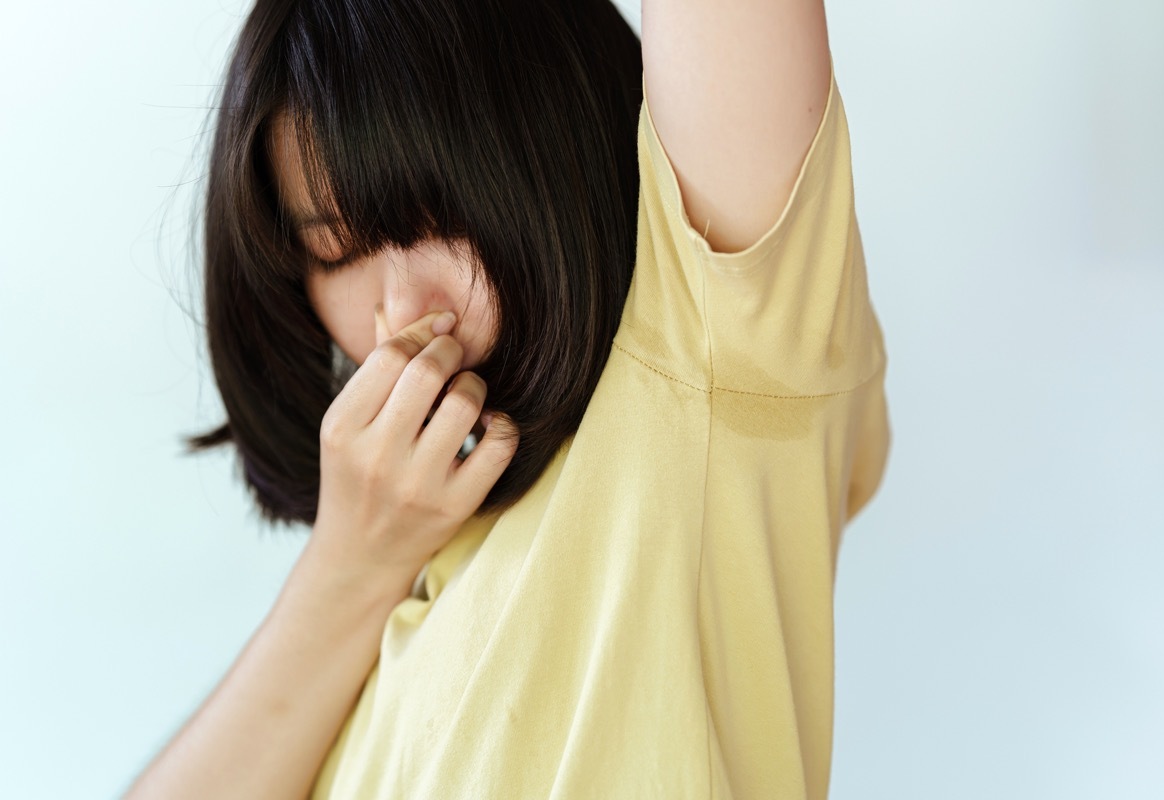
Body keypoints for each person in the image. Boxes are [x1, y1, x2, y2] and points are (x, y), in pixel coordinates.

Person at [126, 0, 890, 797]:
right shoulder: (405, 573)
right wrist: (353, 563)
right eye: (334, 249)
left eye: (435, 223)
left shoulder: (709, 345)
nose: (399, 311)